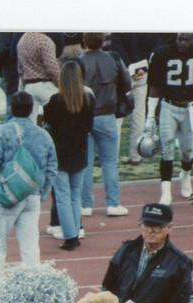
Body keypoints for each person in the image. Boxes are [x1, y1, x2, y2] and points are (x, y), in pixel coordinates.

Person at [0, 91, 57, 303]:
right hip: (31, 196)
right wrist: (41, 192)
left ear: (10, 108)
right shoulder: (43, 135)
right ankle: (33, 292)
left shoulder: (2, 132)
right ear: (32, 110)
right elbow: (51, 167)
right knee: (30, 245)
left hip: (5, 196)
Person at [100, 203, 193, 303]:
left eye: (156, 226)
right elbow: (108, 285)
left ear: (169, 227)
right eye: (145, 225)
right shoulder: (127, 249)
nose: (150, 230)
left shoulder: (179, 262)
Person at [78, 33, 132, 218]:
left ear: (84, 41)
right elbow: (126, 84)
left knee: (85, 163)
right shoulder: (113, 59)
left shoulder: (79, 61)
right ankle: (113, 203)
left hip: (85, 115)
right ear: (102, 41)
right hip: (107, 114)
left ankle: (85, 204)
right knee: (109, 162)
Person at [43, 61, 94, 250]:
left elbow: (48, 124)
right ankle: (75, 229)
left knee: (63, 196)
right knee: (75, 195)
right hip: (79, 152)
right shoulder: (88, 99)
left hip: (60, 154)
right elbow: (89, 127)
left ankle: (70, 236)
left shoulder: (55, 101)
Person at [147, 33, 193, 205]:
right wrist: (150, 115)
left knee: (187, 151)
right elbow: (154, 86)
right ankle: (166, 192)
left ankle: (185, 175)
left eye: (186, 39)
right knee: (167, 147)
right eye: (179, 39)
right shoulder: (163, 53)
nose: (182, 43)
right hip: (168, 106)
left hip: (190, 107)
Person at [108, 33, 161, 166]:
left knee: (118, 117)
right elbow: (155, 49)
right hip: (142, 71)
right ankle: (135, 156)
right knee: (138, 115)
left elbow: (116, 47)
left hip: (123, 71)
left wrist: (130, 67)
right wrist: (143, 67)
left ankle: (113, 158)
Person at [16, 32, 60, 119]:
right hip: (46, 86)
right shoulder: (44, 41)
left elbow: (20, 69)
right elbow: (52, 69)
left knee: (32, 122)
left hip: (29, 86)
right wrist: (61, 86)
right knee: (57, 117)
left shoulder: (21, 41)